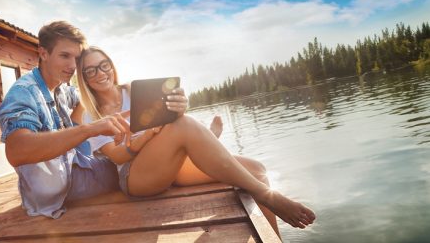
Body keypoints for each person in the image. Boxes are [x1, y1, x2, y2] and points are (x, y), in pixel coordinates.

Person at [76, 46, 316, 236]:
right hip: (135, 177)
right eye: (91, 70)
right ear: (84, 77)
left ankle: (272, 238)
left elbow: (170, 123)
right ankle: (261, 192)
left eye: (103, 65)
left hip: (169, 163)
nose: (100, 73)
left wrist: (178, 107)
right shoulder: (90, 112)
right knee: (186, 124)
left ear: (111, 65)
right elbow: (117, 156)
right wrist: (148, 134)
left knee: (257, 169)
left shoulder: (134, 91)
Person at [0, 21, 133, 219]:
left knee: (125, 154)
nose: (72, 66)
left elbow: (82, 99)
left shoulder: (61, 87)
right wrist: (89, 130)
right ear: (43, 53)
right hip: (58, 189)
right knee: (127, 167)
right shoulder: (23, 93)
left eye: (76, 59)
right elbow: (17, 150)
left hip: (74, 165)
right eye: (64, 56)